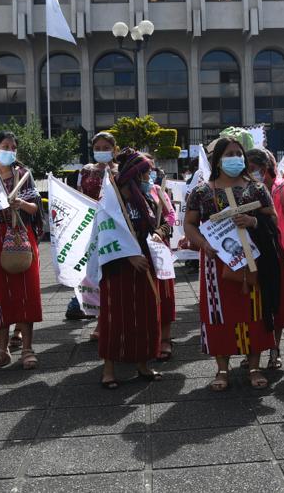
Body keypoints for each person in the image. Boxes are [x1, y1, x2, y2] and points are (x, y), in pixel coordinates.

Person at [183, 136, 284, 391]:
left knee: (254, 311)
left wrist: (253, 222)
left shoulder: (257, 190)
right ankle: (222, 370)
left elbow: (272, 220)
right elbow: (190, 224)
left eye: (239, 153)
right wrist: (203, 244)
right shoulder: (202, 192)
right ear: (218, 160)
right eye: (229, 154)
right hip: (216, 265)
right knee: (220, 314)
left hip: (253, 262)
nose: (236, 158)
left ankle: (254, 367)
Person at [0, 131, 44, 371]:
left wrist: (21, 204)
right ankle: (2, 350)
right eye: (5, 146)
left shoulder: (23, 176)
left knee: (26, 291)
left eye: (13, 147)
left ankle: (27, 348)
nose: (10, 151)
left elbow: (36, 209)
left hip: (20, 236)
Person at [98, 150, 166, 389]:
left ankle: (142, 363)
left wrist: (159, 233)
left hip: (145, 262)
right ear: (135, 174)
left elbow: (162, 222)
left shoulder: (146, 198)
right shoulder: (112, 200)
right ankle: (109, 369)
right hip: (118, 266)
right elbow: (105, 235)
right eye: (146, 173)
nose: (150, 177)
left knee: (146, 313)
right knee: (116, 316)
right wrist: (128, 256)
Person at [246, 147, 284, 369]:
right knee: (253, 301)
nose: (251, 173)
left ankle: (275, 348)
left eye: (255, 169)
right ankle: (252, 351)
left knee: (277, 301)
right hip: (251, 250)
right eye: (248, 169)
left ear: (266, 168)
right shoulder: (243, 188)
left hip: (278, 248)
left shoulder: (282, 185)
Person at [65, 132, 119, 322]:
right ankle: (85, 301)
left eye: (106, 148)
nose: (102, 152)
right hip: (89, 225)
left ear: (114, 150)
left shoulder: (120, 171)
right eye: (98, 148)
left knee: (109, 266)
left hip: (112, 226)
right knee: (89, 266)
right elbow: (79, 195)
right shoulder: (86, 171)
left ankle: (109, 307)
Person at [148, 163, 177, 362]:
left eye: (147, 171)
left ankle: (165, 338)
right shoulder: (120, 191)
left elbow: (170, 215)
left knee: (163, 293)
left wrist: (161, 231)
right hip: (134, 250)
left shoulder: (157, 190)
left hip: (158, 247)